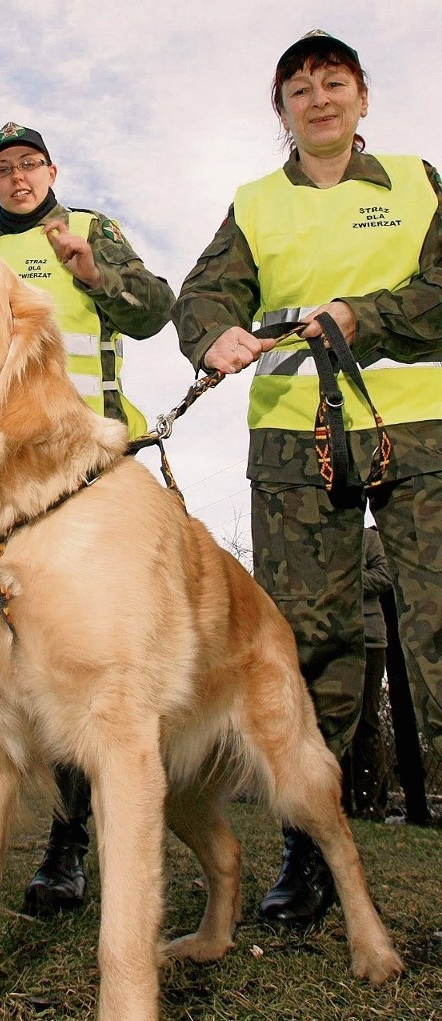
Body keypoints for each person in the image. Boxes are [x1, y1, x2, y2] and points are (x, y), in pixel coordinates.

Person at [173, 29, 442, 927]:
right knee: (305, 645)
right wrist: (212, 333)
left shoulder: (417, 181)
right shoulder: (255, 203)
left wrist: (365, 316)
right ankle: (309, 847)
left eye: (335, 83)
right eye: (299, 88)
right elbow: (204, 295)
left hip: (419, 432)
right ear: (281, 110)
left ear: (362, 96)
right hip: (294, 448)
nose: (318, 98)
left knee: (438, 633)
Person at [0, 121, 175, 915]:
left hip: (86, 467)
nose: (17, 178)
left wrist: (98, 275)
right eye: (2, 169)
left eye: (29, 165)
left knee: (86, 669)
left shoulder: (88, 231)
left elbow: (155, 309)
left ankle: (65, 850)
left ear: (51, 170)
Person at [341, 527, 392, 821]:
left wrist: (350, 578)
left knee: (368, 721)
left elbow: (384, 577)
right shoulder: (332, 538)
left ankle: (371, 802)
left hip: (371, 640)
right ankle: (342, 802)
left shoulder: (370, 540)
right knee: (341, 719)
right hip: (341, 638)